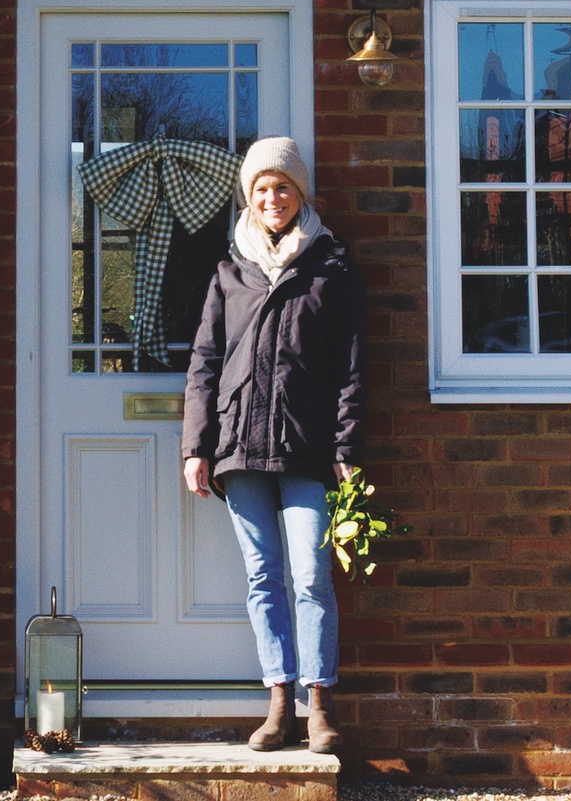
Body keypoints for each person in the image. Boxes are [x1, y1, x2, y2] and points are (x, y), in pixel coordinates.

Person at [181, 136, 364, 756]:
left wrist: (346, 442)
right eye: (260, 188)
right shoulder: (230, 270)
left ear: (300, 193)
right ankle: (278, 703)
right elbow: (204, 363)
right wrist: (194, 447)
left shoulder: (330, 267)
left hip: (308, 443)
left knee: (311, 575)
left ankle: (320, 708)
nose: (272, 197)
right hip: (238, 446)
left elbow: (351, 365)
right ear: (248, 196)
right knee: (263, 578)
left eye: (282, 186)